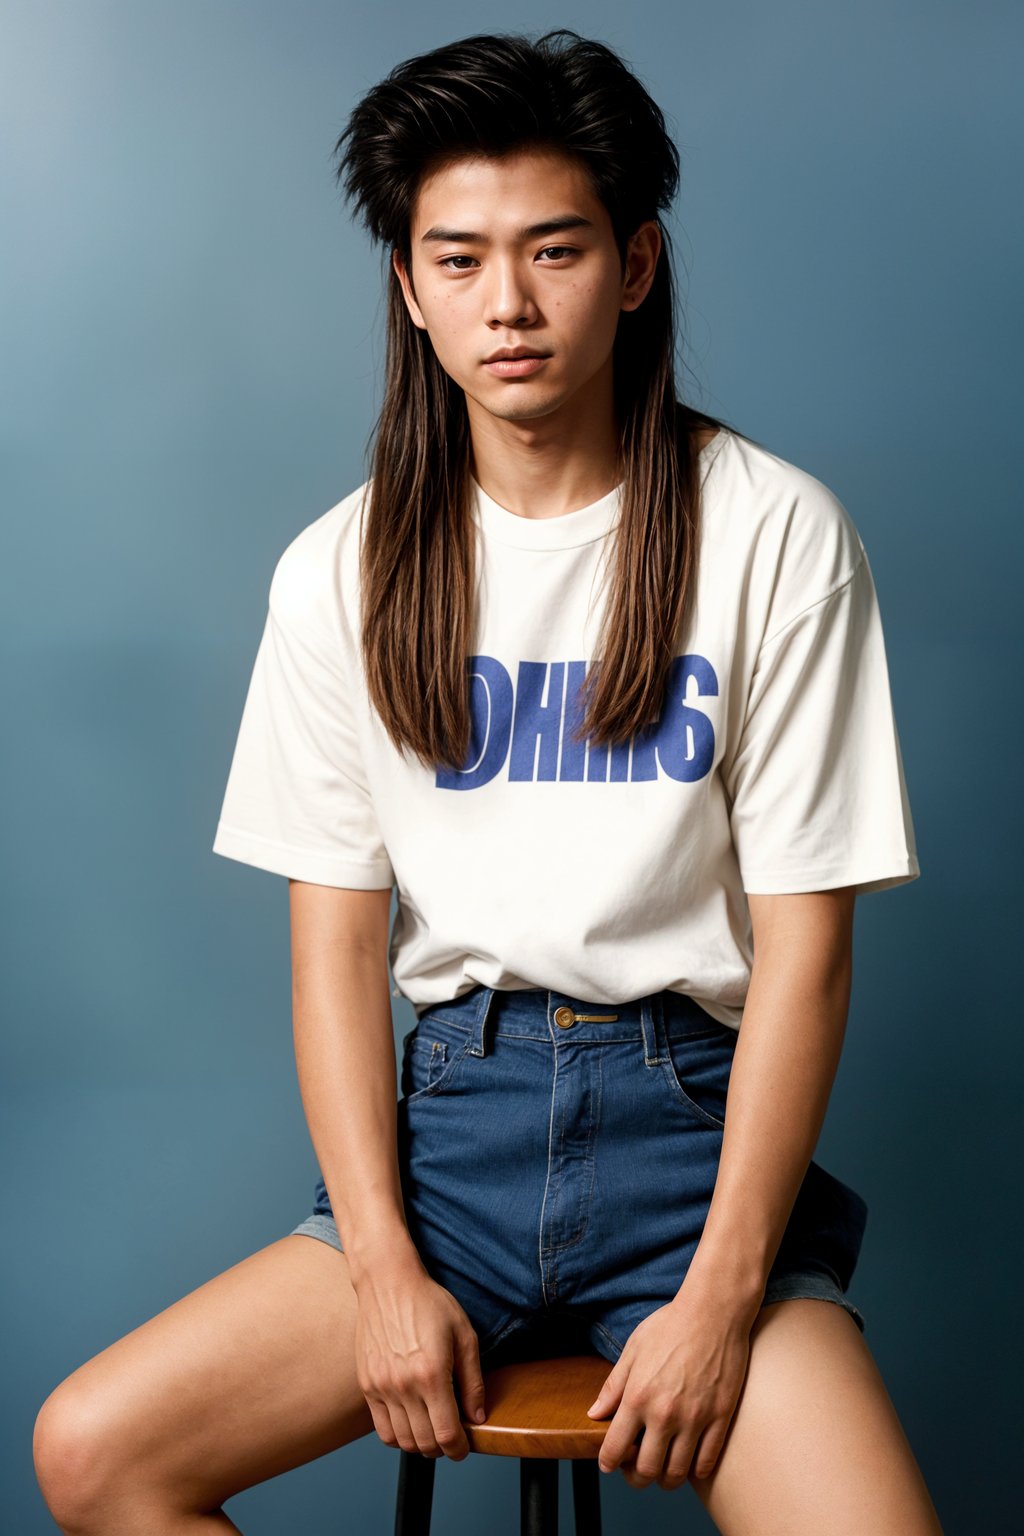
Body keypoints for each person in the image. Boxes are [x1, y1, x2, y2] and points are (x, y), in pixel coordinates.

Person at [33, 27, 944, 1535]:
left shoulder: (772, 532)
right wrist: (384, 1268)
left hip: (693, 1152)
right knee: (96, 1452)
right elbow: (332, 947)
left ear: (636, 265)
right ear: (409, 286)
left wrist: (723, 1297)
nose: (505, 304)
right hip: (446, 1148)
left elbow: (809, 953)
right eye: (456, 260)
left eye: (554, 250)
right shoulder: (343, 569)